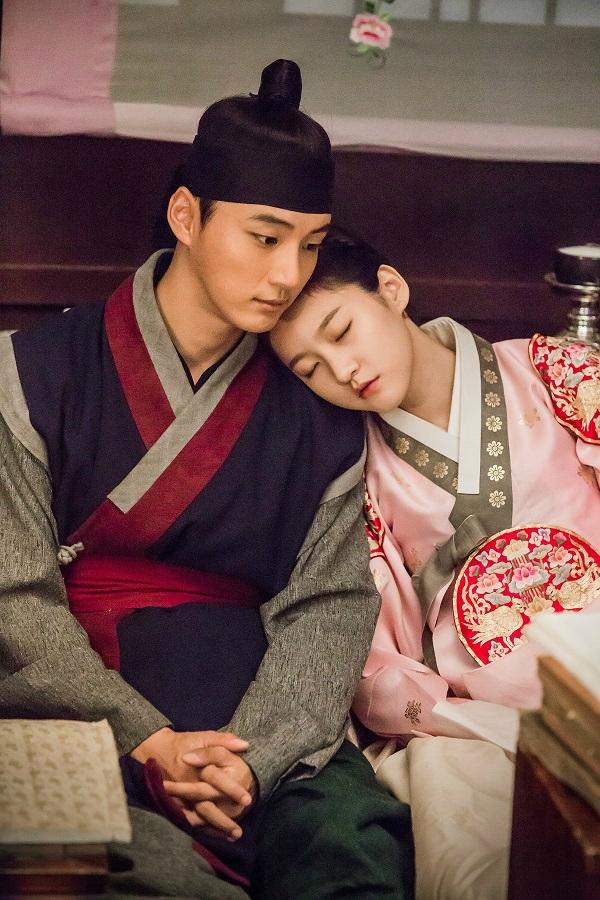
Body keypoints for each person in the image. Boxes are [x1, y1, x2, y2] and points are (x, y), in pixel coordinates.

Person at [0, 64, 414, 899]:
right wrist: (149, 740)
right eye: (265, 237)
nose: (288, 274)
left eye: (309, 244)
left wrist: (253, 761)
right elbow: (14, 596)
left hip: (262, 728)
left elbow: (328, 608)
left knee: (350, 855)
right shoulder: (32, 373)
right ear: (187, 216)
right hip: (83, 712)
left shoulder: (314, 407)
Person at [270, 229, 600, 743]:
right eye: (312, 370)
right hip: (492, 711)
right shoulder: (355, 478)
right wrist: (475, 723)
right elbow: (377, 662)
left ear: (391, 289)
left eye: (342, 332)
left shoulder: (554, 372)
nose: (343, 370)